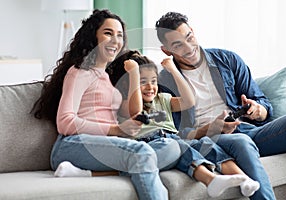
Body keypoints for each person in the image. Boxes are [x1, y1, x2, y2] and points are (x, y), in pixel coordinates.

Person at [54, 50, 261, 198]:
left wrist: (172, 69)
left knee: (207, 145)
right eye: (143, 82)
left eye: (153, 81)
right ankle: (209, 178)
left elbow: (189, 100)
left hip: (172, 140)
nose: (150, 87)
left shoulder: (162, 100)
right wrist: (134, 74)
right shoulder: (126, 104)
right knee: (178, 146)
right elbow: (135, 110)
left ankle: (243, 179)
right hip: (149, 143)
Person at [31, 9, 183, 200]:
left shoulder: (106, 77)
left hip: (104, 145)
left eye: (119, 35)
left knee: (172, 147)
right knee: (142, 152)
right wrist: (116, 130)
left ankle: (87, 173)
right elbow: (65, 122)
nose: (115, 40)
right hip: (72, 145)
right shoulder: (79, 72)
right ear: (93, 37)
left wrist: (132, 124)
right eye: (108, 33)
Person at [155, 11, 286, 200]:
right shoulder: (164, 82)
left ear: (192, 31)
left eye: (189, 37)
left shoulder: (228, 60)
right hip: (211, 140)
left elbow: (263, 103)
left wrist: (257, 111)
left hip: (250, 130)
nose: (189, 48)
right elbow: (176, 134)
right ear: (166, 50)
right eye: (178, 45)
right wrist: (211, 128)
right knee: (241, 141)